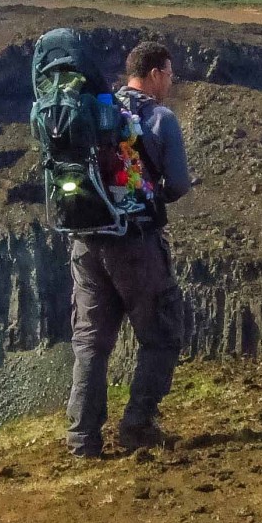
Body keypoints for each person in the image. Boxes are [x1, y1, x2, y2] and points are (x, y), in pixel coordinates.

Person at [66, 41, 193, 457]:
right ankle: (137, 424)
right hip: (134, 246)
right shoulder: (159, 119)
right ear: (154, 73)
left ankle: (82, 441)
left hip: (86, 242)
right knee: (161, 334)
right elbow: (177, 186)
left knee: (91, 342)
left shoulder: (95, 113)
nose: (171, 83)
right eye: (169, 74)